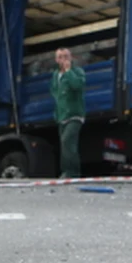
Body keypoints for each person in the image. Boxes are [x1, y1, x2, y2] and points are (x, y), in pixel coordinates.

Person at [51, 47, 85, 178]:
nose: (63, 59)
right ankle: (65, 171)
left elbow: (77, 85)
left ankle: (73, 172)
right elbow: (55, 92)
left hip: (74, 115)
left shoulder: (77, 71)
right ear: (56, 59)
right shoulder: (56, 75)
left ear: (71, 58)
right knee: (64, 144)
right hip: (62, 116)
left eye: (66, 56)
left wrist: (69, 71)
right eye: (60, 57)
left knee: (67, 141)